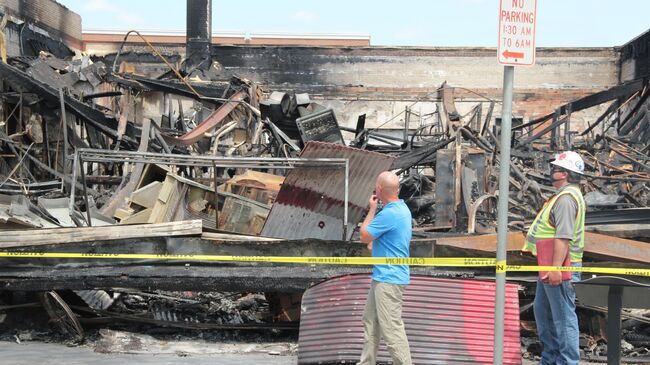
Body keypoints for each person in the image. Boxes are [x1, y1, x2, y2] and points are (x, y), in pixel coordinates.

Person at [523, 151, 586, 365]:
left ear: (565, 174)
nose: (553, 172)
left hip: (559, 266)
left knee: (562, 318)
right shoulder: (563, 196)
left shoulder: (567, 199)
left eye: (556, 169)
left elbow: (563, 236)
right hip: (549, 265)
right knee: (544, 314)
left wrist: (557, 268)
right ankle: (550, 358)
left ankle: (567, 361)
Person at [357, 171, 412, 365]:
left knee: (391, 329)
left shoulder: (388, 214)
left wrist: (371, 209)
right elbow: (381, 242)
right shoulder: (402, 209)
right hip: (384, 276)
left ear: (379, 190)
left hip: (389, 278)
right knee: (370, 320)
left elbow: (364, 236)